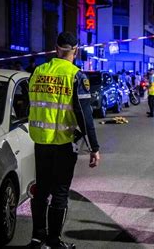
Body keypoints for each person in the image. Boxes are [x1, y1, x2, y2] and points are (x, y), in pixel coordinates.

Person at [27, 32, 101, 249]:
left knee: (41, 190)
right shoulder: (76, 75)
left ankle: (37, 239)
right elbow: (84, 116)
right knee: (59, 192)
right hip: (63, 143)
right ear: (75, 50)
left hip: (41, 141)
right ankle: (54, 242)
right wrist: (94, 148)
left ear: (55, 48)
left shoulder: (38, 72)